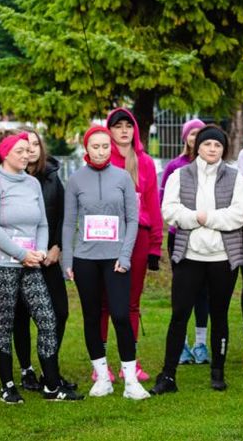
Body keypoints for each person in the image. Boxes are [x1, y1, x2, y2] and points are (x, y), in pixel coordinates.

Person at [0, 131, 80, 403]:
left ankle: (51, 386)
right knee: (5, 324)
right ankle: (8, 386)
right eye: (20, 151)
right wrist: (21, 253)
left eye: (28, 151)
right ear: (5, 153)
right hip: (1, 265)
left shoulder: (32, 183)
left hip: (30, 264)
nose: (26, 155)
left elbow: (43, 223)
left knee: (47, 319)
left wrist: (39, 251)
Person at [152, 126, 243, 394]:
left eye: (217, 146)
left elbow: (239, 215)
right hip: (189, 257)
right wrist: (197, 218)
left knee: (219, 315)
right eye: (207, 144)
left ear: (223, 149)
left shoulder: (235, 177)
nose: (212, 149)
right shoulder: (180, 175)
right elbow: (170, 210)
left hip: (222, 258)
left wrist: (208, 218)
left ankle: (217, 371)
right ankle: (168, 375)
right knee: (180, 314)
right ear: (198, 146)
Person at [62, 125, 147, 400]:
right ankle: (101, 377)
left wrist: (125, 256)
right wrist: (67, 259)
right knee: (91, 316)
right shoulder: (75, 180)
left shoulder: (123, 178)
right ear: (86, 148)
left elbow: (133, 220)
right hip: (85, 259)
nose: (100, 151)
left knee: (121, 315)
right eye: (95, 146)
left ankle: (131, 380)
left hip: (115, 260)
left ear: (111, 148)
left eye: (105, 146)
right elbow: (68, 222)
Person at [12, 127, 71, 394]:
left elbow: (62, 214)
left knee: (60, 312)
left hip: (48, 258)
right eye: (26, 145)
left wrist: (57, 245)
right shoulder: (11, 179)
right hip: (20, 258)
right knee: (21, 316)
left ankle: (51, 369)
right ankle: (27, 370)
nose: (32, 149)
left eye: (36, 143)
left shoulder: (52, 177)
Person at [103, 108, 161, 380]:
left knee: (131, 303)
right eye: (118, 126)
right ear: (109, 130)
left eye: (128, 125)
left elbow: (153, 205)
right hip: (107, 235)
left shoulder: (145, 162)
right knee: (104, 301)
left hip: (139, 235)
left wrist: (155, 247)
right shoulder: (103, 158)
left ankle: (131, 362)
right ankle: (101, 365)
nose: (124, 130)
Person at [159, 118, 210, 367]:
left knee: (203, 292)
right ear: (185, 138)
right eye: (192, 134)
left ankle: (201, 343)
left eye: (200, 133)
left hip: (208, 236)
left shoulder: (212, 165)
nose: (195, 137)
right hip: (179, 235)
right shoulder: (175, 166)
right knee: (182, 291)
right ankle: (182, 344)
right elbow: (163, 198)